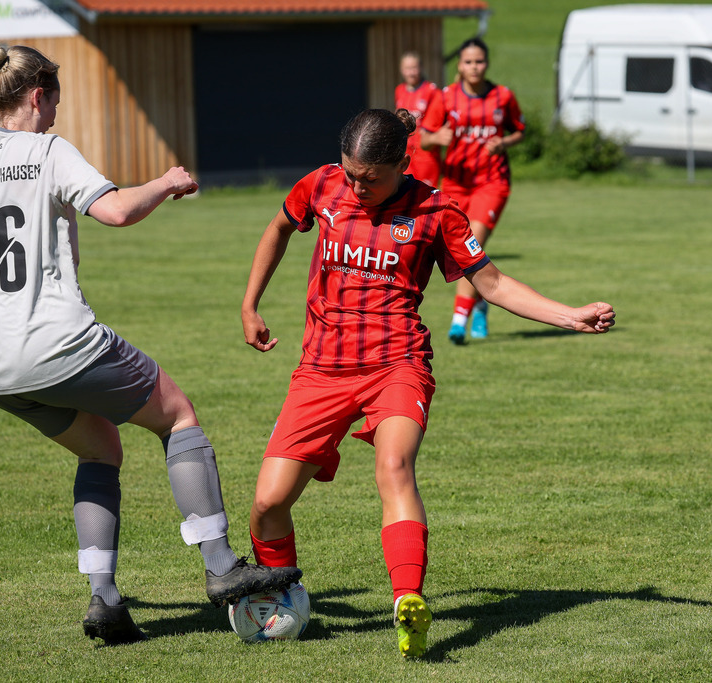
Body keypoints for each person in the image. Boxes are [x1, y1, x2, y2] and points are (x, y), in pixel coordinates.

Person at [0, 44, 300, 646]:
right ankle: (220, 567)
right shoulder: (49, 153)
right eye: (53, 101)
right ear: (36, 96)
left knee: (102, 451)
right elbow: (115, 212)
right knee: (179, 417)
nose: (55, 115)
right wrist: (167, 181)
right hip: (56, 342)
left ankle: (105, 600)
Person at [240, 108, 615, 658]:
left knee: (394, 466)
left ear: (404, 164)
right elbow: (277, 229)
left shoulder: (437, 211)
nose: (357, 186)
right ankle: (278, 593)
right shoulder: (319, 185)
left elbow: (493, 282)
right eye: (351, 174)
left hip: (398, 364)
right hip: (321, 369)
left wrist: (569, 315)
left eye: (371, 177)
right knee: (269, 503)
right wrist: (250, 305)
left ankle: (407, 601)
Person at [419, 37, 527, 344]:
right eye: (468, 62)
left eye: (479, 61)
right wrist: (436, 138)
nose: (474, 67)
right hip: (455, 184)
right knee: (459, 250)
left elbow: (519, 130)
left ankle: (458, 320)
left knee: (471, 244)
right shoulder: (446, 97)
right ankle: (480, 305)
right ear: (460, 65)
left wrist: (504, 142)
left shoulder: (503, 96)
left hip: (492, 183)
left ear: (487, 63)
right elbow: (424, 139)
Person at [393, 50, 442, 187]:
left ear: (421, 68)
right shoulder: (399, 90)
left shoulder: (432, 91)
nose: (411, 72)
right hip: (405, 152)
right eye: (408, 68)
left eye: (414, 68)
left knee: (425, 195)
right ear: (402, 70)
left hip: (426, 154)